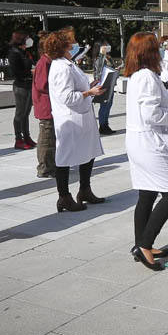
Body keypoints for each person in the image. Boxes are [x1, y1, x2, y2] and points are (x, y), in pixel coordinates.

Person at [124, 32, 168, 271]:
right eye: (158, 47)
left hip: (140, 141)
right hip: (150, 143)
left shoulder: (138, 76)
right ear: (149, 52)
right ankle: (145, 245)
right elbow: (151, 115)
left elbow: (148, 108)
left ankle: (141, 243)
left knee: (147, 193)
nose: (162, 50)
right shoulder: (148, 77)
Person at [47, 28, 106, 212]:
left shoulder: (69, 64)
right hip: (70, 120)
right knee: (65, 158)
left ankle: (85, 190)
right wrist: (89, 92)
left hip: (82, 116)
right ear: (64, 45)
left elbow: (75, 87)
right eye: (72, 42)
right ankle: (63, 196)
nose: (75, 45)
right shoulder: (60, 67)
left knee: (87, 153)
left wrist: (90, 86)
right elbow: (67, 97)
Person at [32, 31, 55, 179]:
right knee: (46, 138)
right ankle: (44, 167)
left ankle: (51, 164)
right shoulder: (44, 62)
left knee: (51, 137)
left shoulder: (49, 61)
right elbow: (42, 85)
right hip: (46, 106)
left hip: (50, 106)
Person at [8, 32, 35, 149]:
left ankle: (27, 136)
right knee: (20, 113)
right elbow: (16, 72)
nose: (29, 40)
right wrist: (30, 72)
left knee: (26, 113)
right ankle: (18, 139)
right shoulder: (14, 53)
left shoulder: (24, 52)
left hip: (29, 85)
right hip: (21, 86)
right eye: (26, 38)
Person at [91, 40, 118, 135]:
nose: (107, 47)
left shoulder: (108, 57)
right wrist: (102, 55)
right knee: (105, 106)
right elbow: (98, 72)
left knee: (108, 105)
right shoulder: (99, 58)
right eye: (105, 45)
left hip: (110, 84)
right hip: (103, 85)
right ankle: (102, 126)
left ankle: (106, 124)